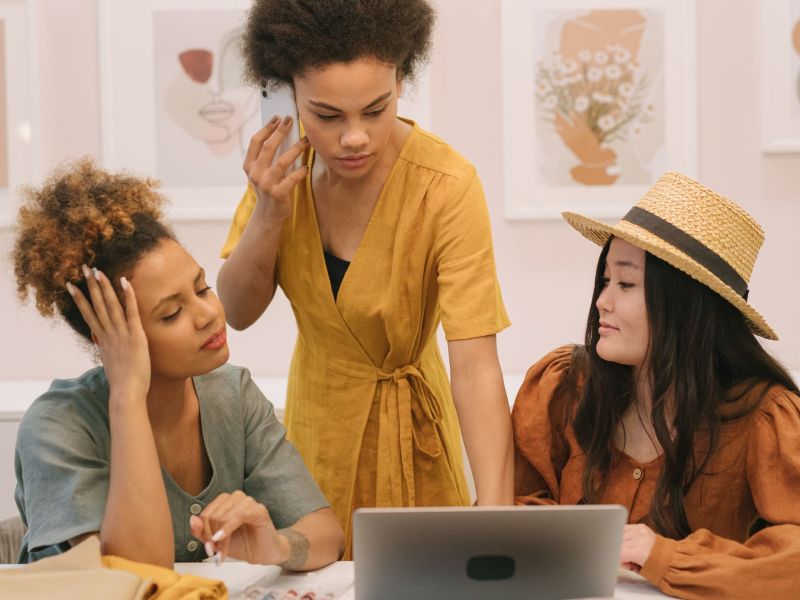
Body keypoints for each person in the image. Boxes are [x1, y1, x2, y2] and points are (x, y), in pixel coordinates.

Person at [217, 0, 513, 554]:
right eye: (327, 116)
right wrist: (270, 212)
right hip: (314, 433)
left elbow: (475, 367)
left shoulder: (445, 185)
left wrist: (498, 524)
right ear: (286, 95)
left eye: (376, 110)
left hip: (415, 441)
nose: (354, 137)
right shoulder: (282, 177)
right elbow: (237, 310)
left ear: (402, 78)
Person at [12, 160, 344, 567]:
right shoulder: (57, 426)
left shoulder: (232, 393)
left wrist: (276, 545)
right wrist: (128, 396)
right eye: (171, 314)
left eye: (202, 288)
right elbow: (134, 575)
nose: (207, 314)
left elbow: (326, 535)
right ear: (108, 337)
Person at [513, 172, 800, 598]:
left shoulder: (764, 417)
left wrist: (663, 556)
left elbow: (791, 561)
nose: (601, 301)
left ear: (688, 306)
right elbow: (509, 514)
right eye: (605, 280)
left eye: (626, 284)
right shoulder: (564, 389)